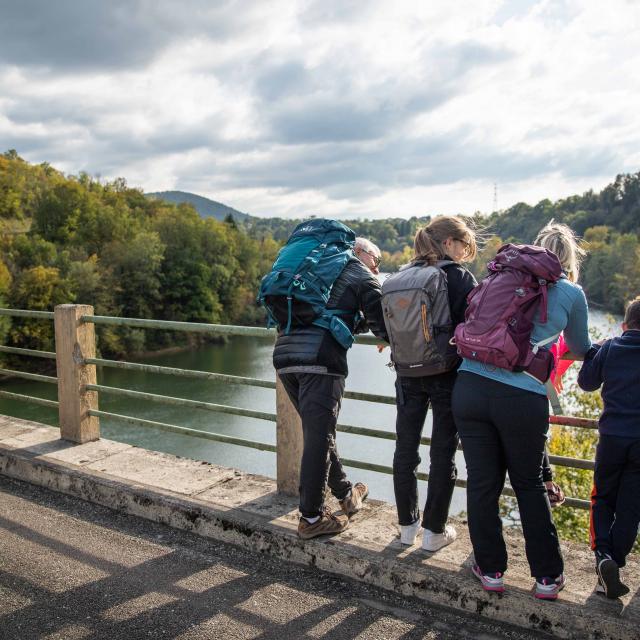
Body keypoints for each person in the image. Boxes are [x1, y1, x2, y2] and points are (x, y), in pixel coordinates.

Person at [452, 221, 592, 599]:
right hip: (521, 399)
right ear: (569, 260)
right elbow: (581, 347)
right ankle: (547, 578)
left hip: (468, 389)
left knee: (482, 482)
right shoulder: (570, 293)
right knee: (529, 484)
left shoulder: (500, 278)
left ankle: (491, 569)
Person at [274, 233, 388, 540]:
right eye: (376, 260)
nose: (376, 269)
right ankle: (311, 518)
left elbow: (338, 316)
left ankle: (347, 495)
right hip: (321, 361)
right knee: (320, 435)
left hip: (285, 357)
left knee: (319, 431)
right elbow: (382, 324)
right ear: (361, 253)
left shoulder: (317, 271)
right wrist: (387, 337)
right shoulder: (358, 272)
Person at [391, 217, 478, 550]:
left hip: (407, 373)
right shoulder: (457, 277)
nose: (463, 253)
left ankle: (406, 528)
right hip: (447, 373)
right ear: (448, 243)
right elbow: (474, 324)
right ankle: (434, 533)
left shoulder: (401, 276)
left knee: (405, 449)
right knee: (442, 454)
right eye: (463, 245)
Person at [577, 296, 640, 599]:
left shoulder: (612, 347)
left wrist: (594, 351)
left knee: (602, 498)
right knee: (632, 505)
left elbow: (586, 382)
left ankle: (603, 556)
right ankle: (614, 561)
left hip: (613, 437)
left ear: (624, 324)